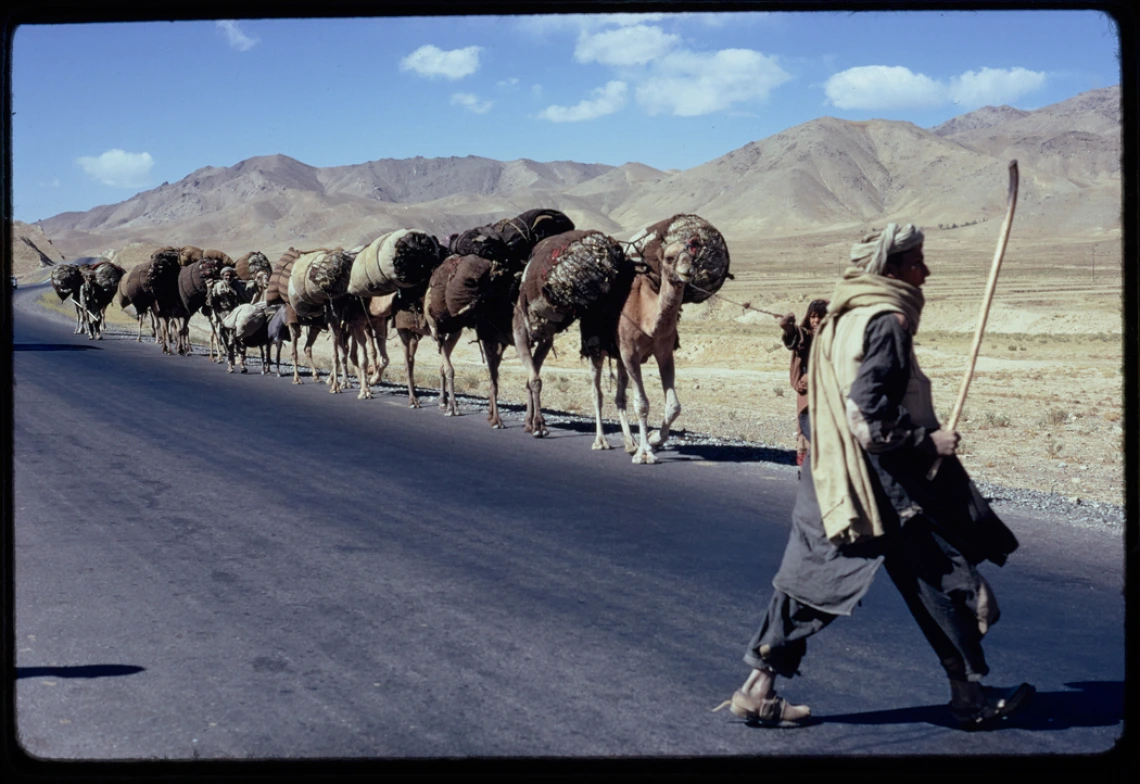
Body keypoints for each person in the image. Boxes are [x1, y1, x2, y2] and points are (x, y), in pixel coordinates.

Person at [720, 223, 1033, 730]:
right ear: (889, 269)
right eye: (916, 263)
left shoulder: (843, 317)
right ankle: (968, 699)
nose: (924, 272)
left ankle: (757, 688)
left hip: (829, 479)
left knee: (808, 584)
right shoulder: (885, 322)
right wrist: (929, 443)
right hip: (879, 489)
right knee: (943, 582)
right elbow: (867, 420)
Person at [780, 299, 829, 470]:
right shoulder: (806, 336)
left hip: (829, 395)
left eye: (821, 317)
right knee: (808, 430)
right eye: (813, 316)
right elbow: (796, 337)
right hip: (808, 393)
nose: (816, 321)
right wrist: (788, 327)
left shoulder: (836, 340)